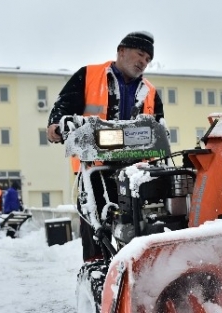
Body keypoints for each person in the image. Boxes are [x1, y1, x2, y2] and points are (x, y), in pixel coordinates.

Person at [46, 31, 165, 262]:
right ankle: (95, 268)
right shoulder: (89, 75)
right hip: (94, 166)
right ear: (121, 51)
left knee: (140, 222)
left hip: (135, 171)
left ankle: (136, 263)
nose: (143, 62)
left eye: (148, 59)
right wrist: (56, 125)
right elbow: (63, 106)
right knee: (94, 224)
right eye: (140, 54)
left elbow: (160, 126)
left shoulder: (149, 91)